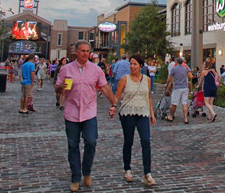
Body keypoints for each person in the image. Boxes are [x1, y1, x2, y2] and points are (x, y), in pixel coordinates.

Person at [55, 40, 117, 192]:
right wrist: (60, 87)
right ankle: (76, 177)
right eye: (82, 50)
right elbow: (57, 88)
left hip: (89, 112)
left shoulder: (96, 70)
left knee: (91, 141)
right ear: (76, 52)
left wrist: (113, 103)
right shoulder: (66, 69)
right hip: (71, 112)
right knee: (73, 145)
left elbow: (104, 87)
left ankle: (87, 171)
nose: (85, 53)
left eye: (87, 51)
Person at [113, 54, 156, 186]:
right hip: (128, 113)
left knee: (145, 141)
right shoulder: (124, 79)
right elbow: (117, 95)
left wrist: (152, 113)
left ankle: (147, 172)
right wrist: (113, 107)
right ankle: (127, 169)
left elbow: (148, 97)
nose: (132, 66)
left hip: (143, 113)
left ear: (141, 66)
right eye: (130, 64)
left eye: (135, 64)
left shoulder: (147, 80)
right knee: (129, 141)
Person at [165, 57, 191, 124]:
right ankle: (185, 118)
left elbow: (169, 78)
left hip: (177, 87)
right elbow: (188, 76)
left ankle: (171, 116)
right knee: (184, 103)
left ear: (176, 62)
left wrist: (167, 84)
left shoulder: (174, 69)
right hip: (185, 87)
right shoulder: (185, 69)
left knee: (174, 103)